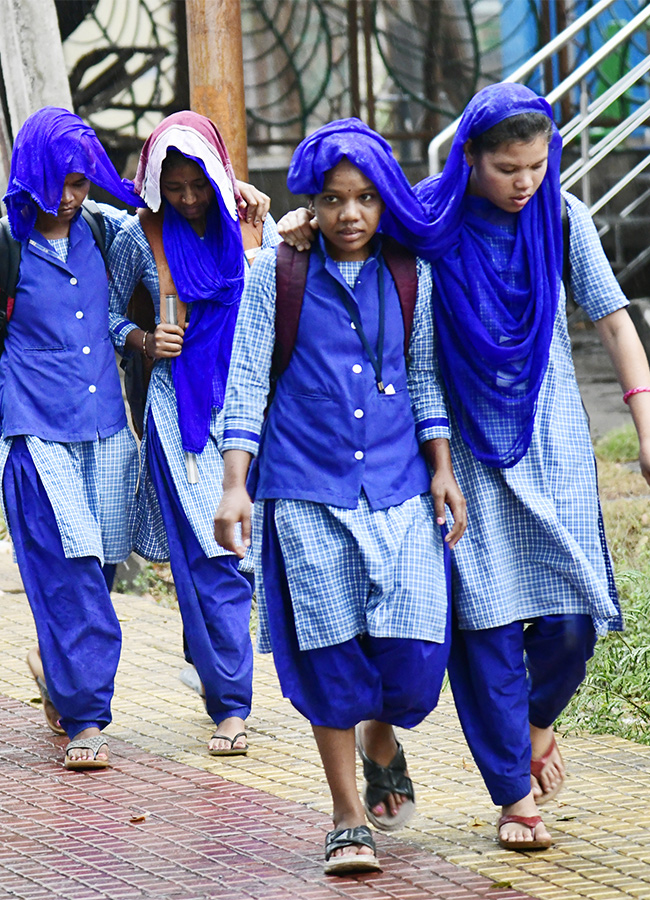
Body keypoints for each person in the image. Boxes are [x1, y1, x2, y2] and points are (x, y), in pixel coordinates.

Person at [276, 84, 650, 851]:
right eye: (508, 168)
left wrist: (646, 424)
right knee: (486, 626)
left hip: (553, 444)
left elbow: (614, 319)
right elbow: (354, 222)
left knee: (573, 620)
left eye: (538, 166)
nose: (525, 183)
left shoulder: (563, 218)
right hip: (464, 449)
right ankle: (515, 798)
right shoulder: (429, 220)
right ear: (470, 158)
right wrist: (298, 222)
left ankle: (535, 728)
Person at [214, 118, 466, 875]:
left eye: (363, 198)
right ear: (311, 204)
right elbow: (248, 379)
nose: (349, 214)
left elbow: (423, 377)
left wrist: (442, 467)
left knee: (416, 657)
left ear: (385, 201)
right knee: (328, 657)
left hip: (397, 487)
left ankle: (381, 738)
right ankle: (347, 816)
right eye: (331, 199)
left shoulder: (410, 270)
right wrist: (234, 485)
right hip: (304, 488)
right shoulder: (277, 275)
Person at [108, 111, 278, 756]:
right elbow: (104, 319)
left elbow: (269, 303)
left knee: (238, 558)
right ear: (155, 182)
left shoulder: (244, 223)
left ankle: (214, 669)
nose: (186, 198)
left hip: (244, 406)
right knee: (214, 557)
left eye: (197, 184)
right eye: (173, 186)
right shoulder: (138, 234)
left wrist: (257, 235)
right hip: (175, 411)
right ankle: (232, 707)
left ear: (216, 174)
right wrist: (146, 339)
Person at [0, 107, 143, 769]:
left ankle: (56, 670)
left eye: (80, 183)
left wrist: (250, 212)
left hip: (107, 432)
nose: (66, 197)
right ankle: (88, 720)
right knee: (70, 575)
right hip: (36, 432)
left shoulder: (107, 231)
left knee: (99, 569)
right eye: (55, 182)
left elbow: (179, 235)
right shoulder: (6, 244)